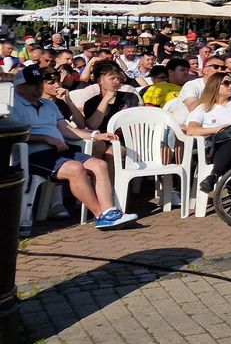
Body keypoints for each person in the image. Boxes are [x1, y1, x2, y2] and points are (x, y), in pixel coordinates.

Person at [10, 66, 135, 230]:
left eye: (40, 83)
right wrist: (45, 138)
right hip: (33, 155)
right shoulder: (12, 105)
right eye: (33, 84)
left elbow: (66, 130)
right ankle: (100, 215)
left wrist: (95, 136)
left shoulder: (49, 104)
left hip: (60, 152)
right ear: (20, 86)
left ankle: (109, 211)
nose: (39, 87)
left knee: (99, 165)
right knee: (76, 169)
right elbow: (13, 136)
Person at [184, 72, 231, 194]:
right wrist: (217, 129)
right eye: (226, 83)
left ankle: (214, 176)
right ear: (215, 86)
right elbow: (191, 130)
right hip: (212, 149)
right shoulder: (203, 107)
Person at [83, 61, 140, 134]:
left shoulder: (130, 97)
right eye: (112, 78)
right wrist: (106, 99)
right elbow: (92, 126)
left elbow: (136, 122)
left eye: (118, 78)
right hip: (105, 140)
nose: (117, 82)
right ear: (100, 81)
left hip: (128, 138)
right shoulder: (91, 103)